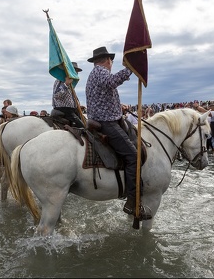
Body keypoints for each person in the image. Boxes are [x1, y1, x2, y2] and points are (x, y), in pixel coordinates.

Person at [85, 46, 151, 220]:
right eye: (111, 61)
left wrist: (118, 106)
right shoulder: (101, 72)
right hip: (106, 122)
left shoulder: (96, 74)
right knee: (133, 157)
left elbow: (104, 94)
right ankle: (132, 202)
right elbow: (112, 82)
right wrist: (130, 68)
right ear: (107, 60)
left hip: (109, 117)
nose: (111, 63)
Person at [52, 62, 84, 128]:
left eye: (77, 71)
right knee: (82, 126)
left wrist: (77, 106)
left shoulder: (71, 83)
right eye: (75, 71)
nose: (76, 73)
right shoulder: (60, 80)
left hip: (71, 110)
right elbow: (57, 96)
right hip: (64, 110)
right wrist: (66, 84)